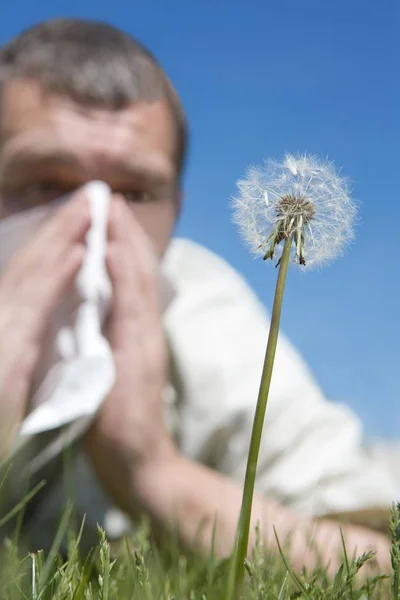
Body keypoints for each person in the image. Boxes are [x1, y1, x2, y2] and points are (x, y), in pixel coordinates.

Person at [0, 18, 398, 573]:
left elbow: (378, 565)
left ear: (175, 211)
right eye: (46, 183)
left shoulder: (206, 319)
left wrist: (155, 471)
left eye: (134, 192)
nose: (92, 220)